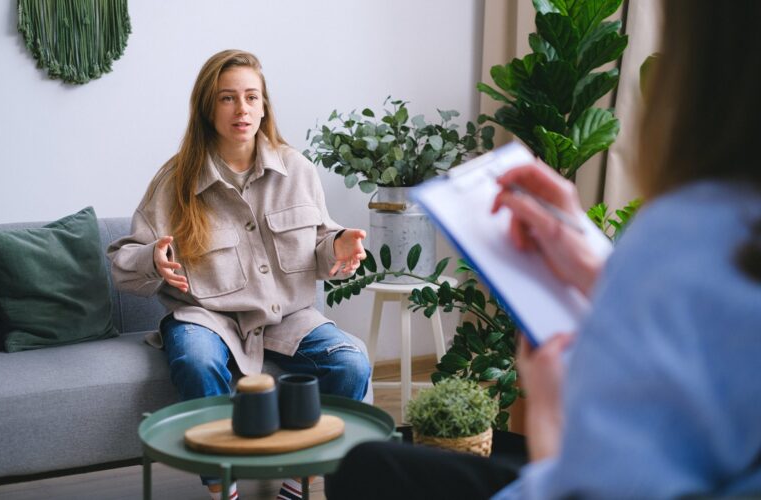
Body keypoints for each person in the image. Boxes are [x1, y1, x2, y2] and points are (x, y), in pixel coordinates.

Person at [325, 0, 761, 498]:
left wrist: (551, 412)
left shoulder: (702, 226)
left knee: (366, 470)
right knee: (374, 464)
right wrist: (596, 262)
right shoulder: (725, 235)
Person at [107, 49, 371, 500]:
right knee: (196, 361)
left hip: (286, 316)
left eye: (251, 97)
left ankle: (298, 479)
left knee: (351, 362)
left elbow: (320, 245)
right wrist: (153, 260)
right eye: (227, 98)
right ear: (207, 108)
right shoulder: (174, 181)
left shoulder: (297, 170)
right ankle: (221, 485)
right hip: (205, 317)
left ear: (265, 105)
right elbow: (122, 260)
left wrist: (339, 246)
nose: (241, 109)